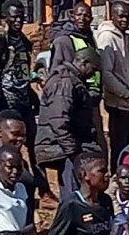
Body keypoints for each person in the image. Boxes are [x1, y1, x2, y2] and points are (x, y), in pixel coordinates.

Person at [35, 41, 101, 205]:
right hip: (63, 149)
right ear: (83, 63)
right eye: (92, 69)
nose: (93, 74)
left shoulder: (72, 81)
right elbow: (59, 122)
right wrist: (74, 154)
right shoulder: (64, 82)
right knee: (73, 198)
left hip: (69, 146)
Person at [0, 0, 38, 137]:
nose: (18, 21)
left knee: (31, 137)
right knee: (8, 137)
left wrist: (30, 90)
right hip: (5, 99)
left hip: (22, 98)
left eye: (21, 17)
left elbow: (23, 68)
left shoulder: (24, 41)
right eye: (14, 17)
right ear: (5, 18)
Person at [96, 0, 129, 160]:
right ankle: (117, 179)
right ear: (113, 16)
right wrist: (125, 93)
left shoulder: (124, 35)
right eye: (121, 16)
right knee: (120, 147)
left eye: (127, 17)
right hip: (119, 104)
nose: (125, 20)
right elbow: (106, 73)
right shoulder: (107, 37)